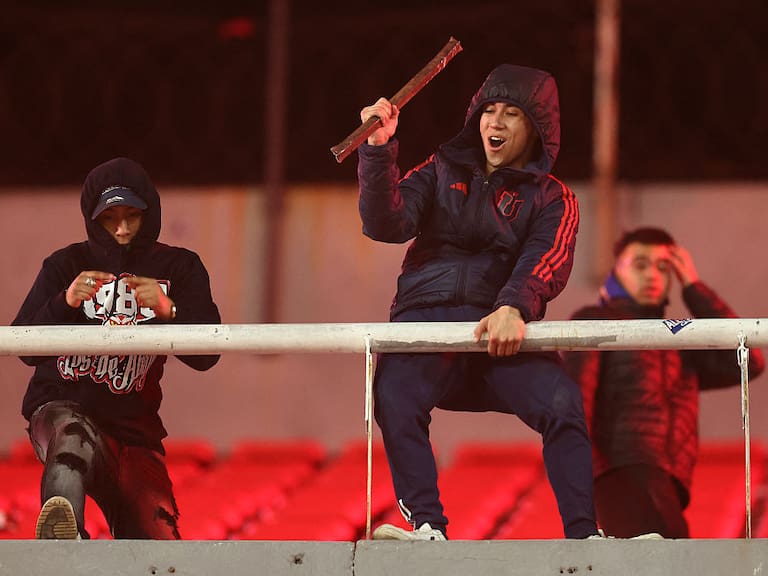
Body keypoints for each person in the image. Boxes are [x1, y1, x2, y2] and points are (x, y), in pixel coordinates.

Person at [356, 64, 599, 540]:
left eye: (512, 113)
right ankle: (427, 528)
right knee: (395, 395)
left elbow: (546, 258)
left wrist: (512, 306)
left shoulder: (554, 198)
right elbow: (386, 224)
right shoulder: (439, 168)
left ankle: (586, 536)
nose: (496, 122)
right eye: (489, 110)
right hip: (427, 320)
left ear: (538, 128)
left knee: (562, 401)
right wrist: (378, 149)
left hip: (500, 326)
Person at [12, 157, 221, 540]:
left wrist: (168, 310)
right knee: (71, 438)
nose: (122, 229)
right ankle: (64, 543)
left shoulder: (180, 267)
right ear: (93, 219)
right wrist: (65, 302)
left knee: (157, 542)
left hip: (134, 432)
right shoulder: (65, 264)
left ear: (150, 214)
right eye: (109, 218)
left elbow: (208, 355)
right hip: (62, 408)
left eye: (132, 216)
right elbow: (23, 347)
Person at [564, 227, 765, 538]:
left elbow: (749, 362)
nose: (652, 275)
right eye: (640, 264)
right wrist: (581, 483)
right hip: (620, 473)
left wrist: (694, 287)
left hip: (669, 480)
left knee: (672, 559)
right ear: (615, 272)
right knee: (671, 562)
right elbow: (575, 405)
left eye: (663, 267)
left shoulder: (680, 342)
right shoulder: (594, 320)